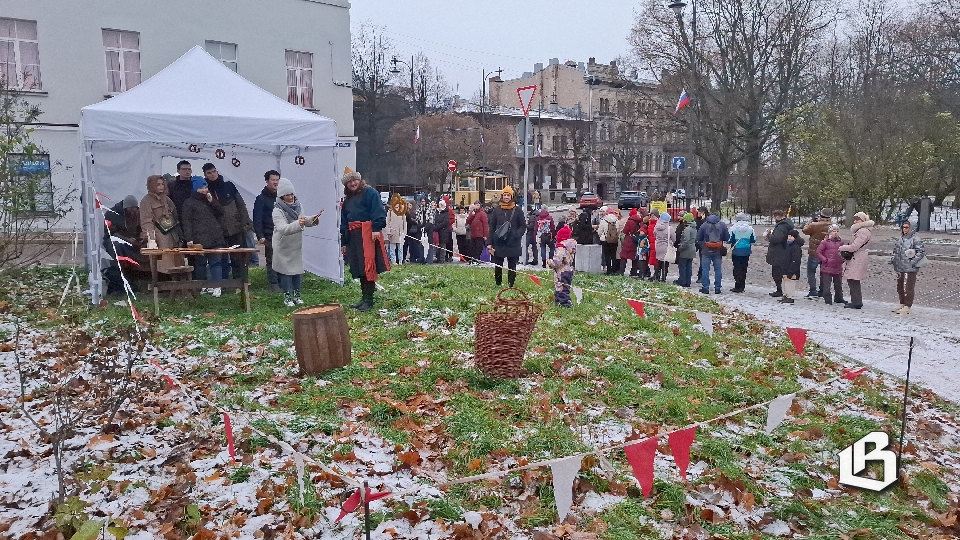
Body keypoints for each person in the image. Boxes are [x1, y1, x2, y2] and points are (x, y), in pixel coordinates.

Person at [340, 167, 389, 312]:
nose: (352, 183)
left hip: (367, 234)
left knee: (368, 266)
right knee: (360, 268)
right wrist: (344, 242)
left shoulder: (370, 193)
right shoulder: (348, 200)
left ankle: (369, 300)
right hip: (353, 237)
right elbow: (343, 222)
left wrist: (376, 228)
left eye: (354, 180)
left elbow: (378, 211)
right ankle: (364, 297)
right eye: (349, 182)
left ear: (359, 180)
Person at [202, 163, 253, 283]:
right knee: (221, 257)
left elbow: (241, 205)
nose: (212, 174)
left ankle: (241, 281)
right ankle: (223, 282)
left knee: (239, 256)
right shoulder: (205, 190)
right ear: (205, 175)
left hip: (236, 227)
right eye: (209, 173)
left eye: (214, 171)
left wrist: (245, 221)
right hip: (218, 230)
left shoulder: (229, 185)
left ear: (217, 171)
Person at [272, 178, 319, 307]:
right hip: (283, 246)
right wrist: (299, 223)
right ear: (282, 196)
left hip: (296, 245)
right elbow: (283, 228)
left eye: (292, 194)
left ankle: (297, 295)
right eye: (287, 195)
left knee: (297, 272)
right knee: (286, 273)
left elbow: (302, 220)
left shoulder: (298, 206)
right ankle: (287, 297)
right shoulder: (277, 211)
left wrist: (312, 220)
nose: (291, 197)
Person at [181, 177, 227, 296]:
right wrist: (189, 238)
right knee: (201, 262)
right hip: (199, 238)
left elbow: (221, 212)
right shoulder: (189, 202)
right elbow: (187, 221)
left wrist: (213, 202)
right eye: (201, 188)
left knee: (216, 262)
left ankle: (217, 286)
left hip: (215, 236)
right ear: (195, 189)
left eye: (206, 187)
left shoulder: (209, 200)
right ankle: (203, 286)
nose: (204, 190)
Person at [140, 175, 183, 275]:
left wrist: (179, 234)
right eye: (158, 184)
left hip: (172, 235)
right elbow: (146, 221)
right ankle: (163, 284)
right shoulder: (146, 201)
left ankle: (177, 285)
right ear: (151, 185)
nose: (161, 186)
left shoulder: (167, 199)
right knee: (164, 263)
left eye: (163, 184)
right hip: (159, 236)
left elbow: (175, 215)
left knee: (177, 262)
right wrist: (152, 238)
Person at [102, 196, 143, 295]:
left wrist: (140, 237)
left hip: (130, 242)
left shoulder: (137, 214)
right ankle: (118, 285)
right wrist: (127, 239)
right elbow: (112, 233)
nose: (133, 212)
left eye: (135, 209)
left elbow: (138, 230)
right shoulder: (112, 214)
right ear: (126, 208)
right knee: (116, 250)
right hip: (114, 242)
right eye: (131, 209)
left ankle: (133, 283)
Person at [487, 186, 526, 287]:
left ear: (512, 196)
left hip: (513, 242)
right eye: (504, 195)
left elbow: (523, 226)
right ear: (502, 196)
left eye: (508, 195)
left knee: (512, 265)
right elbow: (491, 227)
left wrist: (517, 235)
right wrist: (489, 242)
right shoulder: (497, 210)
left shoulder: (517, 210)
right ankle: (498, 283)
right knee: (498, 265)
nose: (506, 197)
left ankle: (511, 285)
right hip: (499, 242)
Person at [838, 212, 873, 309]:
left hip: (857, 257)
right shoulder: (862, 230)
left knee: (853, 279)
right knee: (853, 279)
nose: (855, 221)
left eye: (858, 219)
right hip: (857, 256)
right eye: (855, 219)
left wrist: (842, 247)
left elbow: (855, 246)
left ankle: (856, 301)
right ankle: (856, 300)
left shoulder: (863, 231)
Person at [253, 170, 282, 292]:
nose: (275, 182)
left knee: (282, 259)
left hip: (283, 233)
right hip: (269, 234)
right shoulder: (261, 198)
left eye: (277, 180)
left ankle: (283, 281)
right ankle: (273, 283)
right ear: (267, 181)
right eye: (273, 180)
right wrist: (260, 235)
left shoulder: (282, 197)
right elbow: (257, 218)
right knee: (272, 259)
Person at [890, 220, 925, 314]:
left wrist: (912, 262)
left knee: (908, 286)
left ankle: (908, 305)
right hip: (900, 266)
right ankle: (902, 303)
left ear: (911, 228)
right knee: (900, 286)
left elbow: (920, 252)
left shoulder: (916, 239)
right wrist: (893, 259)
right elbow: (895, 251)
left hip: (910, 268)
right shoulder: (900, 239)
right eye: (903, 227)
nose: (904, 229)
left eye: (906, 227)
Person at [801, 208, 833, 298]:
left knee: (811, 271)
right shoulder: (832, 225)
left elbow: (805, 230)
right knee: (824, 272)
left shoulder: (814, 225)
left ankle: (813, 290)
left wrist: (809, 223)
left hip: (814, 252)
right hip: (826, 252)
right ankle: (822, 290)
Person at [696, 211, 730, 294]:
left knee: (705, 270)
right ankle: (717, 288)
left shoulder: (704, 225)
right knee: (718, 270)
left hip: (706, 250)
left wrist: (703, 244)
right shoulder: (722, 225)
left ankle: (705, 287)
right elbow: (727, 238)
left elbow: (698, 237)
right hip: (718, 250)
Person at [764, 210, 795, 297]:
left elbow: (776, 239)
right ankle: (783, 289)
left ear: (778, 216)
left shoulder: (781, 227)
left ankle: (780, 290)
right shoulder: (787, 224)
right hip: (784, 251)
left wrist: (768, 235)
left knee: (777, 272)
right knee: (782, 272)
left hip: (778, 252)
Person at [546, 224, 577, 308]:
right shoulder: (570, 245)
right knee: (564, 288)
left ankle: (565, 304)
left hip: (561, 271)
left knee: (561, 289)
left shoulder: (561, 247)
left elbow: (557, 261)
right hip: (568, 269)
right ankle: (558, 303)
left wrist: (550, 262)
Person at [816, 224, 846, 305]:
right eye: (834, 231)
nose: (835, 233)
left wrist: (842, 259)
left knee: (838, 284)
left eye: (837, 231)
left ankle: (839, 298)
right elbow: (818, 253)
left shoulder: (841, 242)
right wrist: (825, 260)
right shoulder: (825, 242)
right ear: (830, 232)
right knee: (827, 285)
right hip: (827, 267)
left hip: (837, 266)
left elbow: (844, 252)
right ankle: (827, 299)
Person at [727, 213, 756, 293]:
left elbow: (730, 240)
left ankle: (737, 285)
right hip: (746, 251)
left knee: (737, 268)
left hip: (736, 251)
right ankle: (742, 285)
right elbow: (753, 240)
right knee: (744, 268)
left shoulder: (733, 228)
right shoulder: (750, 229)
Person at [778, 230, 805, 304]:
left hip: (792, 269)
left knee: (790, 283)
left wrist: (791, 270)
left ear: (795, 238)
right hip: (786, 267)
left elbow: (796, 260)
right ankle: (785, 295)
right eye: (789, 236)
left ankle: (790, 297)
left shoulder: (795, 247)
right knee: (785, 282)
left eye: (791, 236)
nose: (789, 238)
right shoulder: (788, 245)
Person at [620, 210, 647, 278]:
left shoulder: (629, 221)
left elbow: (625, 231)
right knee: (634, 257)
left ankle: (621, 272)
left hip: (628, 240)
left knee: (624, 257)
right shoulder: (640, 221)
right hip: (636, 240)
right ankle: (633, 272)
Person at [674, 212, 697, 287]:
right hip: (692, 249)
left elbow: (686, 241)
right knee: (689, 266)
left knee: (682, 266)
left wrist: (680, 248)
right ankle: (688, 281)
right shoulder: (694, 228)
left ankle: (683, 281)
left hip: (685, 250)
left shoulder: (687, 229)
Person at [653, 211, 675, 282]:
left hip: (658, 246)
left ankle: (657, 276)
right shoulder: (669, 228)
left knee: (659, 261)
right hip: (666, 247)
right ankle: (663, 278)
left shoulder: (656, 226)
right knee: (665, 263)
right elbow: (674, 238)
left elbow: (654, 235)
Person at [384, 198, 408, 265]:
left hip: (400, 232)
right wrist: (388, 231)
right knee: (392, 247)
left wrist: (404, 232)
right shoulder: (390, 211)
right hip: (392, 232)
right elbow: (387, 222)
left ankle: (400, 261)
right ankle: (393, 261)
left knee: (400, 247)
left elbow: (404, 222)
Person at [599, 207, 620, 275]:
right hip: (614, 240)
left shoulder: (604, 220)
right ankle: (613, 270)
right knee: (613, 255)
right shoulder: (616, 220)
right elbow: (618, 230)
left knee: (607, 256)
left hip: (605, 240)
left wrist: (602, 236)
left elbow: (600, 231)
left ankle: (608, 270)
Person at [434, 199, 452, 263]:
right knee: (437, 246)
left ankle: (442, 259)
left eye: (441, 204)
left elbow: (445, 222)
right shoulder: (437, 212)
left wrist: (438, 226)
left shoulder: (446, 213)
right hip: (437, 232)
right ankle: (438, 258)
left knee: (442, 246)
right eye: (439, 204)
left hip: (443, 232)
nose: (440, 206)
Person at [693, 206, 708, 282]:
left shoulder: (706, 221)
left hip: (703, 242)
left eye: (701, 212)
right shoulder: (696, 220)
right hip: (696, 241)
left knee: (703, 260)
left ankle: (701, 276)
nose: (699, 213)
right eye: (698, 212)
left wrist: (703, 220)